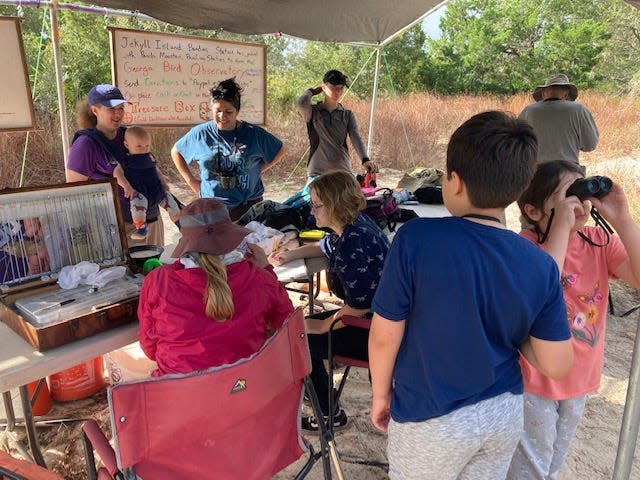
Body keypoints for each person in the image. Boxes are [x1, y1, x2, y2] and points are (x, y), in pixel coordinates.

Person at [368, 111, 574, 480]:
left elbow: (385, 336)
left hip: (430, 416)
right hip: (503, 412)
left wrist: (381, 395)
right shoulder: (539, 264)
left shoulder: (416, 240)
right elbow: (557, 364)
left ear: (455, 182)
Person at [506, 160, 640, 480]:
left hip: (579, 378)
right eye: (567, 195)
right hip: (533, 381)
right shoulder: (523, 245)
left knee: (552, 463)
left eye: (582, 191)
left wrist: (622, 218)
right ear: (534, 211)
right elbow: (543, 286)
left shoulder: (598, 241)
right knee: (531, 468)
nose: (578, 203)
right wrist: (562, 229)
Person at [270, 170, 389, 431]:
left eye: (316, 205)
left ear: (335, 205)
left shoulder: (353, 242)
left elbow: (359, 306)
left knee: (301, 337)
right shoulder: (352, 226)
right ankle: (325, 396)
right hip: (375, 319)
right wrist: (290, 255)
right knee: (305, 327)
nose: (311, 211)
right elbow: (325, 245)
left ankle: (327, 412)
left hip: (376, 330)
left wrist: (323, 327)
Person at [138, 198, 294, 377]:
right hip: (246, 392)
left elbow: (149, 347)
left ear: (186, 242)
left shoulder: (159, 281)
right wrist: (266, 269)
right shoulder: (258, 278)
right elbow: (286, 324)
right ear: (230, 237)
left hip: (179, 396)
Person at [171, 78, 286, 221]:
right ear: (211, 109)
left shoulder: (254, 133)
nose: (222, 116)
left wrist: (258, 169)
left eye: (228, 111)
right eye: (217, 111)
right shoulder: (200, 133)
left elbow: (280, 150)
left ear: (237, 111)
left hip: (248, 207)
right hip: (211, 207)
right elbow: (176, 151)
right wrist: (191, 181)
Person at [66, 84, 165, 247]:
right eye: (112, 109)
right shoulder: (85, 145)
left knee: (155, 269)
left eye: (121, 108)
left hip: (151, 219)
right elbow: (74, 191)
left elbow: (149, 164)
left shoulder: (129, 134)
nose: (118, 114)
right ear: (95, 110)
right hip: (115, 227)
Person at [296, 70, 378, 179]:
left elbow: (356, 137)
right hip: (317, 171)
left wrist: (365, 159)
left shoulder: (347, 114)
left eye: (341, 88)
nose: (338, 92)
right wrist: (311, 91)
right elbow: (301, 103)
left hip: (342, 169)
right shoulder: (312, 111)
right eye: (334, 87)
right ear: (324, 87)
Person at [113, 126, 181, 240]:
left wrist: (164, 183)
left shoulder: (150, 156)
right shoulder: (126, 160)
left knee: (171, 203)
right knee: (137, 208)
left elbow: (156, 170)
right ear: (126, 145)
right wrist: (126, 186)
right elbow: (116, 173)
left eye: (147, 146)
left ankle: (180, 224)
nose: (144, 149)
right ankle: (141, 228)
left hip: (156, 189)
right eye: (139, 146)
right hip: (139, 191)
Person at [519, 74, 599, 166]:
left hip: (536, 170)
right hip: (568, 169)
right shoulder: (578, 109)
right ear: (566, 93)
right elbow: (590, 145)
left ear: (544, 93)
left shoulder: (529, 110)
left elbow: (517, 143)